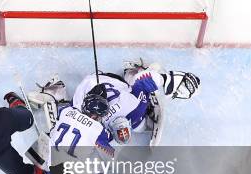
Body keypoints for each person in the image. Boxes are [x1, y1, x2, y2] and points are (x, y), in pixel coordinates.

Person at [71, 60, 201, 145]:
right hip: (101, 80)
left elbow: (145, 80)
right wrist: (169, 80)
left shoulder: (131, 106)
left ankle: (132, 72)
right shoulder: (131, 106)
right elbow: (144, 81)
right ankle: (131, 72)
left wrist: (170, 80)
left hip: (102, 81)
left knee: (138, 121)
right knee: (138, 122)